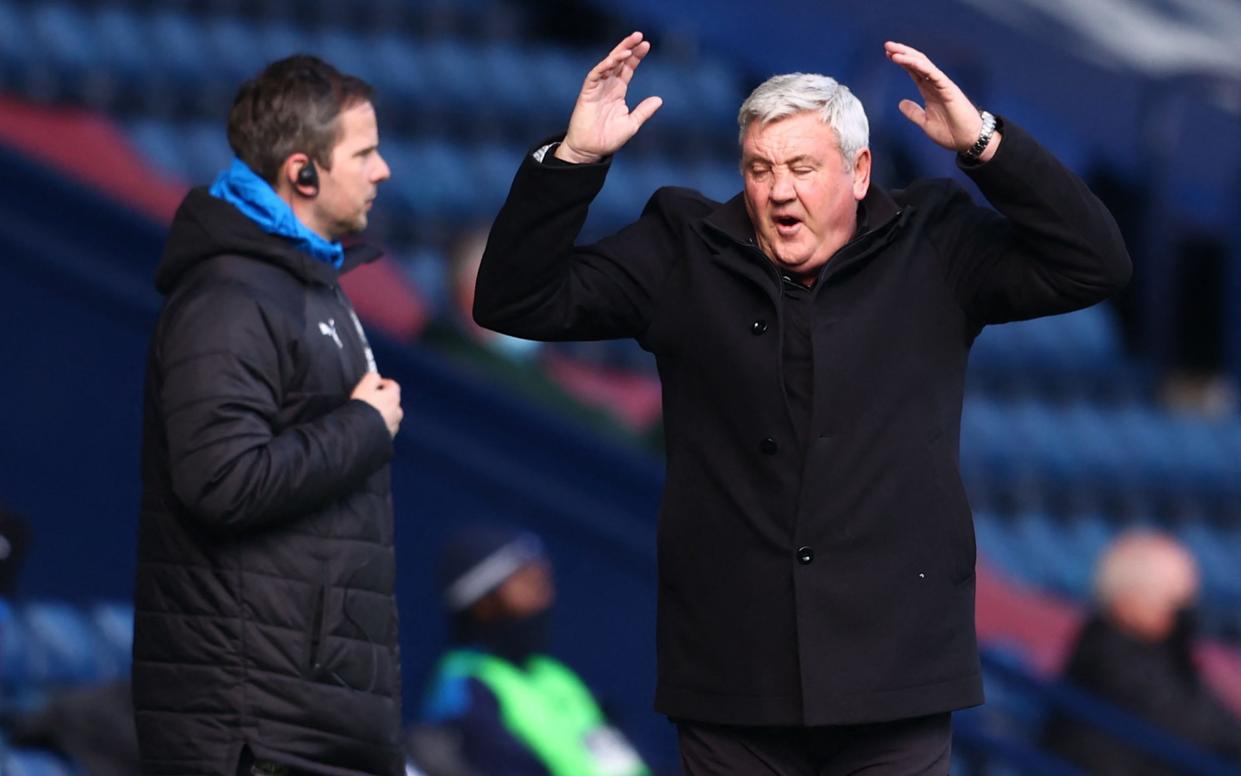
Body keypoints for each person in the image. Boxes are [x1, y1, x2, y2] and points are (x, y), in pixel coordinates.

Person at [473, 31, 1131, 773]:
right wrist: (575, 159)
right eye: (759, 169)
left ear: (857, 172)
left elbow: (1095, 262)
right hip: (730, 678)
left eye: (800, 168)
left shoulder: (935, 243)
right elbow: (514, 300)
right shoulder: (682, 246)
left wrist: (983, 145)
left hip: (895, 677)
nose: (777, 190)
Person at [134, 55, 405, 776]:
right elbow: (221, 479)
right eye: (365, 153)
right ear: (302, 173)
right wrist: (362, 427)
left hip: (315, 720)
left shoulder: (309, 282)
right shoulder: (229, 297)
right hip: (255, 731)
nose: (382, 171)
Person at [416, 525, 649, 776]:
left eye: (545, 583)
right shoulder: (465, 683)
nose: (546, 598)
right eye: (530, 587)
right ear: (484, 604)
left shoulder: (555, 675)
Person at [1043, 530, 1241, 774]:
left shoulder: (1160, 655)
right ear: (1128, 600)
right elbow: (1181, 721)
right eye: (1172, 601)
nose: (1181, 614)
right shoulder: (1108, 656)